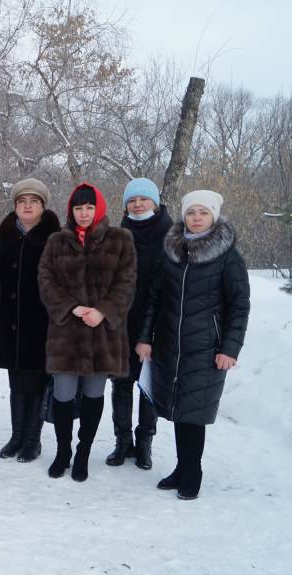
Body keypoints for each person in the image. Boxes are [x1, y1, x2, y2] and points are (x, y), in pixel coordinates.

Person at [136, 190, 249, 500]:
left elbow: (239, 305)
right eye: (191, 212)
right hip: (170, 344)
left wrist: (230, 348)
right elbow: (154, 299)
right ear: (183, 216)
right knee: (176, 409)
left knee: (192, 414)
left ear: (213, 216)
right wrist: (145, 338)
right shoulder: (171, 252)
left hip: (207, 348)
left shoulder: (227, 256)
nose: (196, 218)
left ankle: (192, 473)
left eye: (203, 212)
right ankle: (181, 468)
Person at [38, 182, 137, 482]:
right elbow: (45, 279)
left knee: (94, 393)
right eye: (78, 208)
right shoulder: (57, 241)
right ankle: (63, 450)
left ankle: (83, 452)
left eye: (89, 207)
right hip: (66, 332)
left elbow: (126, 282)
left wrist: (103, 311)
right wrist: (71, 308)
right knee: (63, 393)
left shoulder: (120, 239)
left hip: (103, 334)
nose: (83, 213)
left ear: (99, 209)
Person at [0, 178, 61, 463]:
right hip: (9, 322)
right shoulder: (3, 235)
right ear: (16, 206)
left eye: (34, 202)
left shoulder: (55, 238)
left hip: (41, 323)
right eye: (22, 202)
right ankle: (16, 435)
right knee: (16, 383)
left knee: (36, 383)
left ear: (43, 206)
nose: (27, 206)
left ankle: (32, 439)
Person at [107, 178, 172, 469]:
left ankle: (145, 442)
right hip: (121, 322)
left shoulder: (171, 235)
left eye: (143, 199)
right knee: (121, 383)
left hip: (157, 321)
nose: (137, 205)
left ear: (155, 202)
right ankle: (123, 442)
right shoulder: (117, 234)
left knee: (148, 386)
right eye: (132, 201)